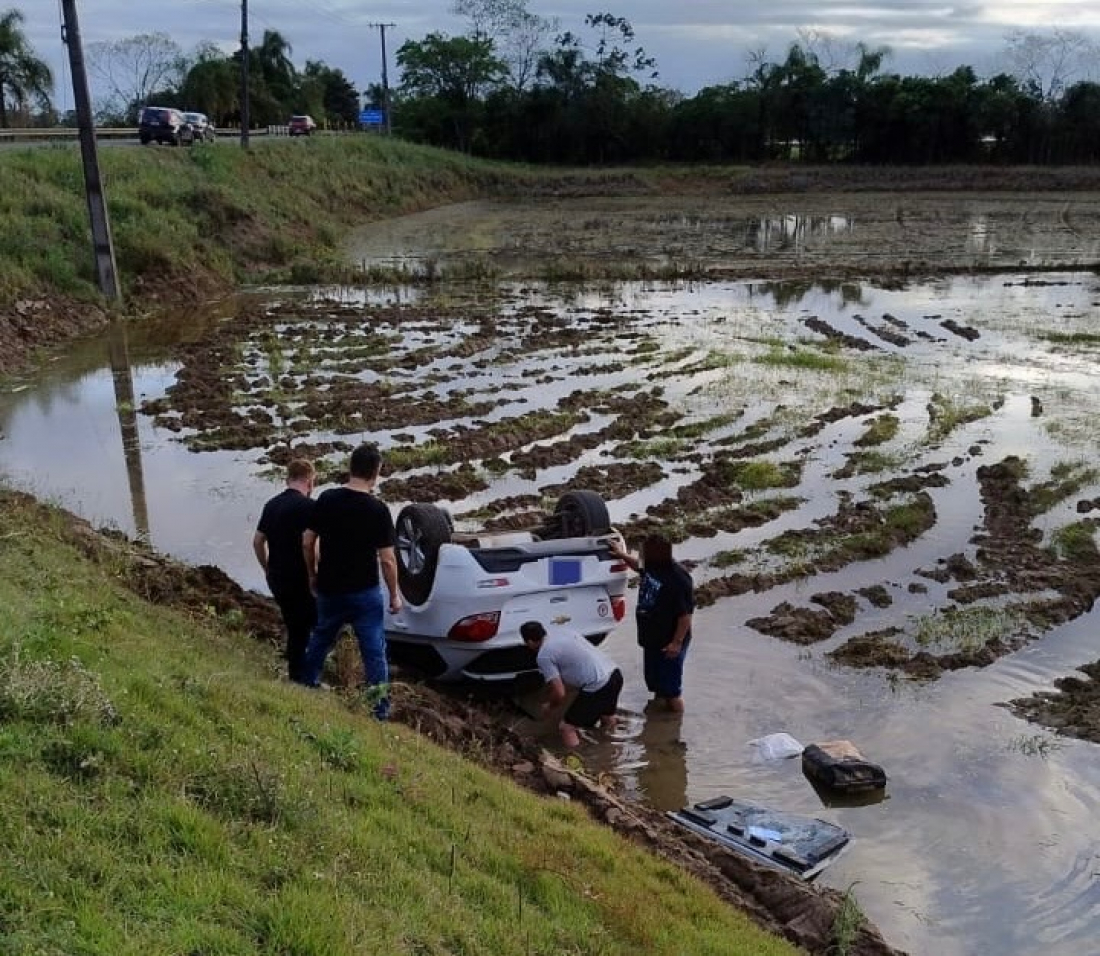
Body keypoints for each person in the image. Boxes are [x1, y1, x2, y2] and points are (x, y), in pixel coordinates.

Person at [301, 444, 402, 719]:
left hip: (330, 587)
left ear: (350, 467)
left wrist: (312, 574)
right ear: (376, 472)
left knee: (321, 638)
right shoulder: (378, 510)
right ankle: (378, 710)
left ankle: (306, 684)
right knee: (374, 651)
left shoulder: (327, 499)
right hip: (364, 592)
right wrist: (394, 594)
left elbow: (307, 541)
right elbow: (388, 560)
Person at [609, 533, 694, 713]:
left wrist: (676, 643)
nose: (643, 556)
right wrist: (621, 554)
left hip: (669, 642)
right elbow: (638, 566)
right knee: (656, 683)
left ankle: (675, 724)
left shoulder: (678, 579)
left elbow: (685, 616)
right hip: (652, 638)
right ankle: (657, 719)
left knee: (672, 691)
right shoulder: (652, 565)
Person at [253, 458, 317, 684]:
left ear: (287, 479)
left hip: (277, 577)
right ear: (310, 481)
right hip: (300, 578)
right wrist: (314, 574)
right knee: (315, 625)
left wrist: (266, 568)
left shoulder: (271, 505)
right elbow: (310, 545)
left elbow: (257, 541)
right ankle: (301, 676)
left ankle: (296, 667)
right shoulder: (310, 507)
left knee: (294, 624)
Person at [519, 621, 623, 748]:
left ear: (529, 642)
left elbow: (560, 693)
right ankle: (611, 749)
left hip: (598, 686)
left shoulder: (543, 656)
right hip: (614, 674)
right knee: (607, 716)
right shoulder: (564, 632)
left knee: (566, 727)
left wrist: (549, 706)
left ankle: (578, 757)